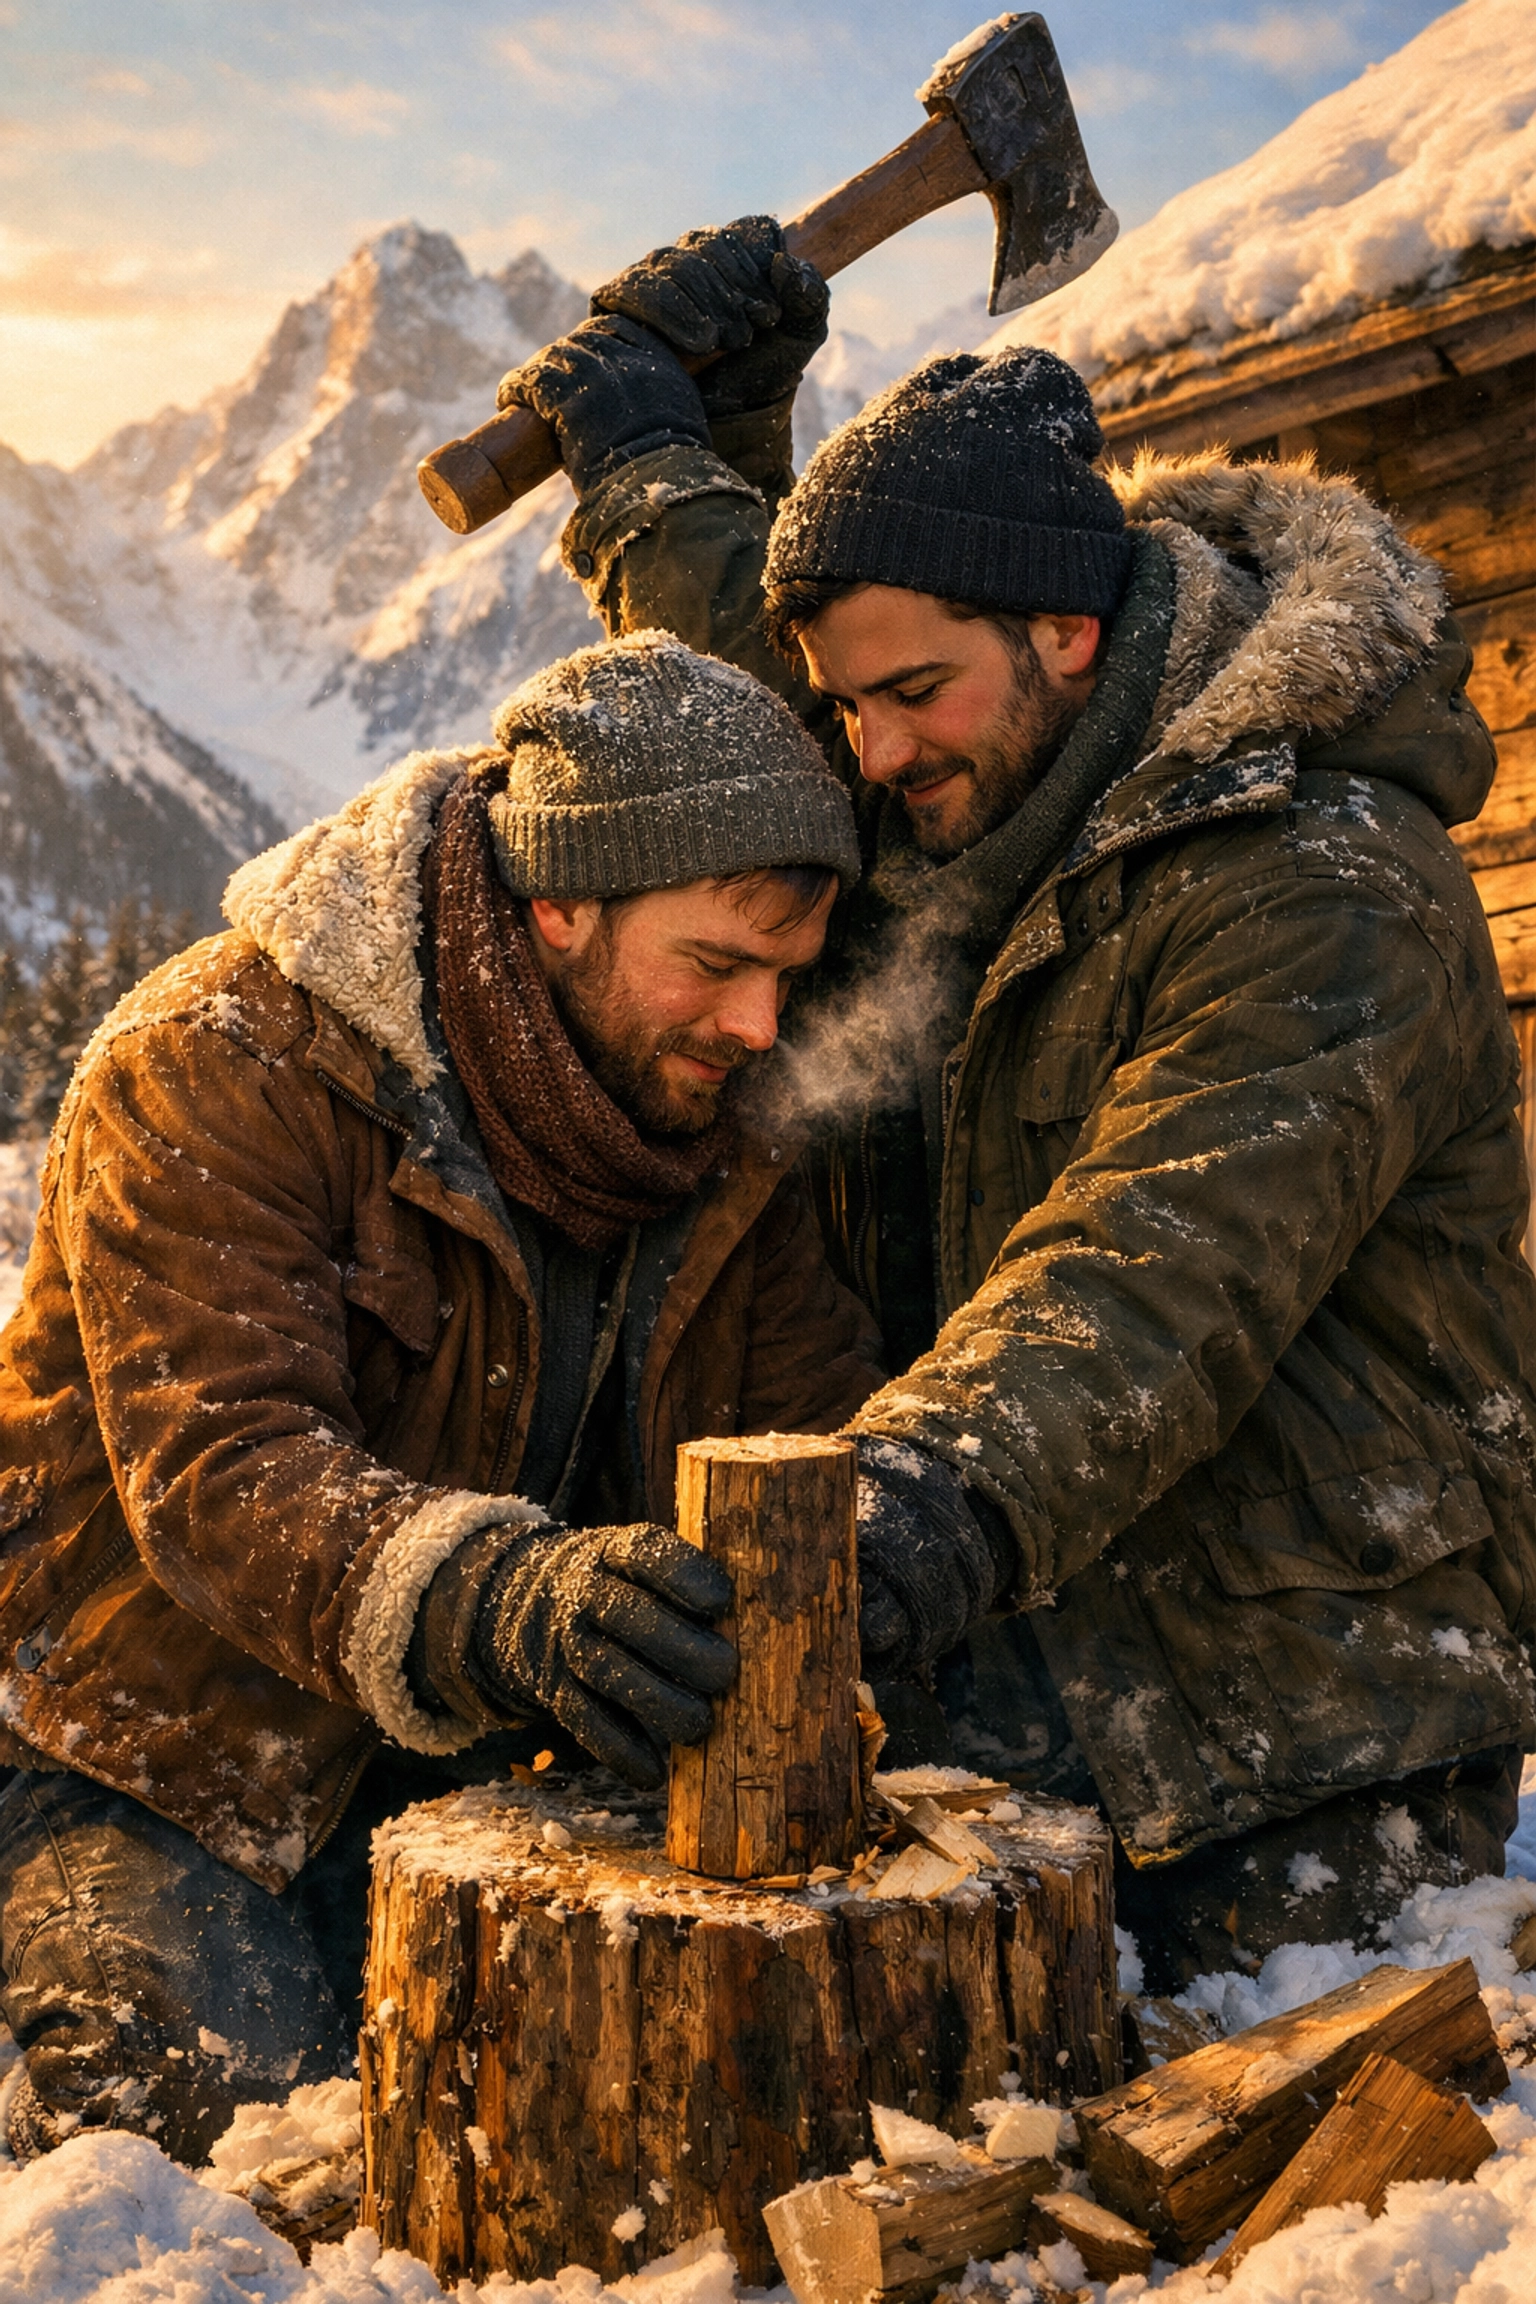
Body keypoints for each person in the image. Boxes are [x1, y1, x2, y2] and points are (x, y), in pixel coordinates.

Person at [498, 217, 1536, 1985]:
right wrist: (686, 463)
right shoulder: (979, 780)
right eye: (859, 707)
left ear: (1070, 629)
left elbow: (1145, 1282)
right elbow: (789, 712)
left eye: (917, 698)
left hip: (1300, 1714)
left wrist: (888, 1516)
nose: (879, 755)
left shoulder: (1328, 885)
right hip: (1030, 1644)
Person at [0, 630, 883, 2162]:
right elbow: (224, 1472)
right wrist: (505, 1596)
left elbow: (815, 1424)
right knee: (249, 2143)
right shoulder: (219, 1062)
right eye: (717, 966)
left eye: (785, 978)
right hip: (157, 1759)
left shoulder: (719, 1129)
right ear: (559, 906)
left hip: (469, 1757)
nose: (757, 1029)